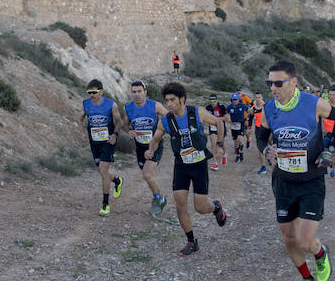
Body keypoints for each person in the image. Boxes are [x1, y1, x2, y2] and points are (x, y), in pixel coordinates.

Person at [257, 61, 335, 281]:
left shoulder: (313, 103)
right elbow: (261, 134)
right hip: (283, 181)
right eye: (270, 83)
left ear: (293, 82)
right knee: (289, 239)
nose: (273, 88)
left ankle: (320, 253)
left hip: (311, 180)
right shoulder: (269, 108)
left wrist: (328, 148)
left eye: (278, 83)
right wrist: (266, 149)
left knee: (305, 240)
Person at [145, 82, 228, 256]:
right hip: (181, 166)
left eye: (173, 100)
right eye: (167, 100)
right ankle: (191, 241)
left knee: (200, 207)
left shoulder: (196, 112)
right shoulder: (166, 120)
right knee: (180, 204)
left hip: (198, 166)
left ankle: (216, 208)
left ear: (182, 99)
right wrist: (151, 149)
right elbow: (156, 138)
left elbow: (218, 123)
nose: (169, 104)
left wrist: (219, 145)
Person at [123, 80, 169, 216]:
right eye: (134, 92)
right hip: (140, 147)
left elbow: (169, 119)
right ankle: (157, 196)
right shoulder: (128, 108)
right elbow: (126, 125)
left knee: (147, 174)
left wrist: (160, 132)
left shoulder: (155, 106)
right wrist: (128, 131)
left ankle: (159, 199)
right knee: (148, 176)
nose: (136, 94)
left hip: (155, 145)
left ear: (145, 92)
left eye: (139, 91)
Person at [79, 79, 125, 215]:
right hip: (94, 142)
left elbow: (118, 121)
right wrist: (82, 133)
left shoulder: (111, 105)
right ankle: (117, 180)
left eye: (94, 92)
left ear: (101, 91)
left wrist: (115, 135)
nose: (92, 95)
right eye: (89, 92)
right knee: (102, 172)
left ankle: (105, 204)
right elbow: (80, 119)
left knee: (103, 169)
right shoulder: (86, 104)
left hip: (108, 141)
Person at [204, 94, 227, 170]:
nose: (212, 102)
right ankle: (215, 163)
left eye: (214, 100)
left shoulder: (221, 107)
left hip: (220, 128)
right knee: (213, 144)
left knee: (221, 143)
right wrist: (208, 123)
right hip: (212, 128)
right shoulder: (208, 108)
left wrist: (216, 120)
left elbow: (226, 117)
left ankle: (224, 154)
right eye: (211, 101)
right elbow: (205, 118)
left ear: (217, 100)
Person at [226, 93, 249, 162]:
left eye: (236, 99)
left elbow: (249, 111)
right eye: (233, 100)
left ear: (238, 100)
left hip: (241, 124)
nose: (235, 101)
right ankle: (238, 153)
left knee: (240, 140)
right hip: (233, 125)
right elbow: (226, 114)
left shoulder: (242, 106)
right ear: (231, 100)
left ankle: (239, 154)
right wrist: (229, 120)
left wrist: (247, 120)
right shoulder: (229, 107)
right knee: (235, 142)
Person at [251, 91, 270, 174]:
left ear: (262, 98)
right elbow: (250, 113)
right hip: (258, 129)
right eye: (256, 98)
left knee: (271, 143)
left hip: (267, 128)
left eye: (259, 97)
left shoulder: (266, 106)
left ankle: (270, 158)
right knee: (260, 147)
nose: (258, 99)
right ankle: (263, 167)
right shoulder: (254, 107)